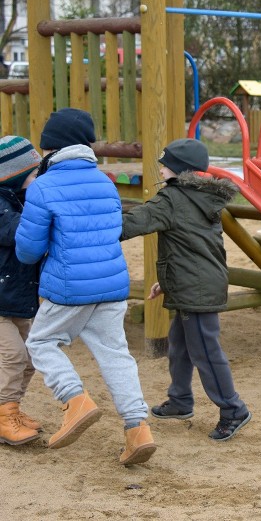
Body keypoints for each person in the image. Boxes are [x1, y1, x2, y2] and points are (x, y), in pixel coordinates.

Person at [15, 108, 155, 465]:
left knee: (42, 341)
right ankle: (138, 429)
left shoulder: (45, 186)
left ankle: (74, 400)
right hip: (111, 285)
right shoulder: (105, 182)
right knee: (116, 355)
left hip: (69, 286)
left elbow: (28, 251)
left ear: (51, 148)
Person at [121, 138, 252, 442]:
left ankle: (234, 409)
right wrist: (167, 281)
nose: (161, 168)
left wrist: (89, 228)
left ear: (179, 171)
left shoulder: (172, 200)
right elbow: (190, 246)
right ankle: (180, 400)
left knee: (205, 351)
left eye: (165, 164)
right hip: (196, 281)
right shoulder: (199, 196)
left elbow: (131, 223)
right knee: (179, 345)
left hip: (197, 289)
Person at [0, 136, 43, 445]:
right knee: (13, 355)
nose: (37, 179)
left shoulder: (19, 200)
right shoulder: (4, 207)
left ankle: (10, 407)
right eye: (32, 173)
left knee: (30, 356)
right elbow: (22, 233)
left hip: (20, 296)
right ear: (14, 175)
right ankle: (4, 416)